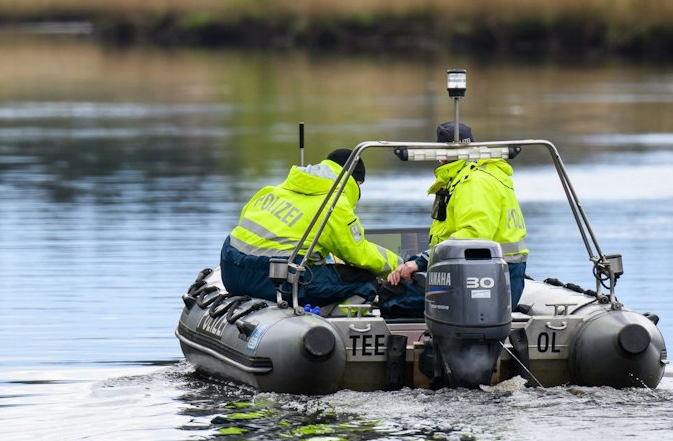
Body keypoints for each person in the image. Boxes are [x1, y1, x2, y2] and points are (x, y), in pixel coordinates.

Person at [219, 148, 402, 306]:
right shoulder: (334, 204)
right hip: (273, 279)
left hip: (231, 268)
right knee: (364, 281)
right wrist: (398, 265)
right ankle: (331, 324)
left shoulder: (276, 189)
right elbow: (358, 252)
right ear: (356, 181)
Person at [384, 121, 530, 313]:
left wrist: (419, 262)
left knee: (391, 299)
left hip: (486, 280)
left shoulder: (473, 182)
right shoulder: (484, 174)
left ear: (441, 155)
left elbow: (473, 236)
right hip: (492, 275)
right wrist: (420, 263)